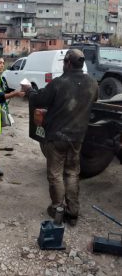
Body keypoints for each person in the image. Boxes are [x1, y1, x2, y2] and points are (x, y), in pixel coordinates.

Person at [22, 49, 99, 226]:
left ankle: (57, 208)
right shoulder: (93, 83)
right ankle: (73, 212)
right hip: (77, 137)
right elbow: (94, 100)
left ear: (68, 63)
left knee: (55, 174)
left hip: (56, 137)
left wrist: (30, 91)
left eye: (64, 62)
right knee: (72, 173)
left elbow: (39, 100)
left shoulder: (59, 83)